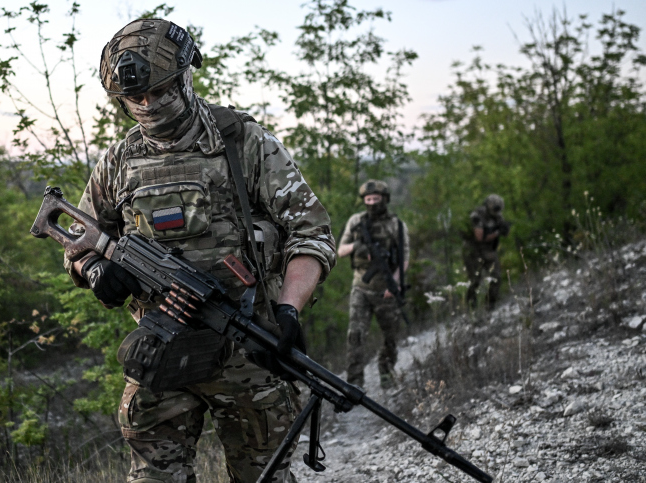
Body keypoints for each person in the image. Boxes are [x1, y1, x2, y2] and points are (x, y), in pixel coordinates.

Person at [62, 19, 336, 483]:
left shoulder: (244, 143)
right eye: (135, 97)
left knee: (262, 477)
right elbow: (77, 241)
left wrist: (289, 310)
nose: (148, 105)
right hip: (161, 353)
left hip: (247, 350)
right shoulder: (118, 162)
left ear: (186, 74)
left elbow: (310, 233)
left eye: (160, 90)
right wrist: (95, 271)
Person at [337, 180, 409, 390]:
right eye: (368, 200)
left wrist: (394, 284)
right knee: (355, 336)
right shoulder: (356, 221)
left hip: (386, 290)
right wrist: (358, 246)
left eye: (376, 199)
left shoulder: (396, 225)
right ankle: (354, 382)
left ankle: (386, 373)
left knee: (391, 337)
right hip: (361, 287)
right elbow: (341, 250)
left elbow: (404, 258)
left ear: (384, 199)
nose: (371, 203)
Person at [462, 194, 510, 310]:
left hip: (488, 250)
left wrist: (504, 229)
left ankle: (490, 306)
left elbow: (503, 230)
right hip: (473, 251)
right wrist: (497, 233)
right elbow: (480, 237)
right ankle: (471, 308)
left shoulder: (497, 216)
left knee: (496, 277)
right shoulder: (477, 216)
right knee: (475, 281)